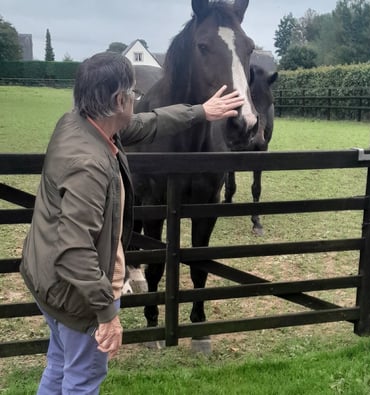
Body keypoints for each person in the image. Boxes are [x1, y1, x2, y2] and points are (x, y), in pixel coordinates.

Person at [19, 51, 244, 394]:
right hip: (77, 295)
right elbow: (76, 253)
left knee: (60, 367)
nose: (136, 101)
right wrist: (106, 315)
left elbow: (148, 123)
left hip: (47, 278)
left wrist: (201, 111)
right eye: (134, 94)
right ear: (119, 100)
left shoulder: (81, 124)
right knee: (82, 380)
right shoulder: (89, 164)